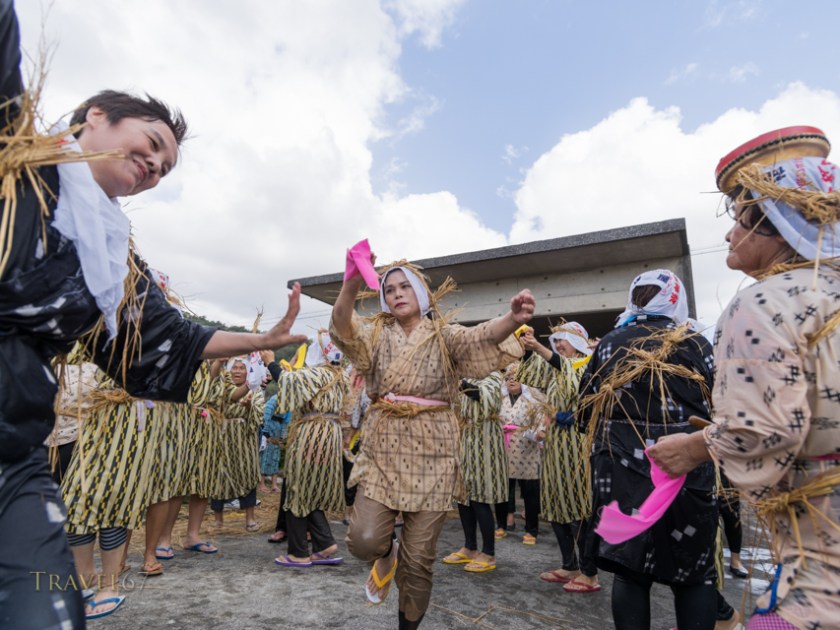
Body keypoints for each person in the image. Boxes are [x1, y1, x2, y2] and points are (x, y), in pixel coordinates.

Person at [0, 4, 305, 627]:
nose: (155, 167)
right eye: (153, 144)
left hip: (11, 448)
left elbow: (170, 335)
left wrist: (265, 337)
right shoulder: (14, 157)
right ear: (96, 117)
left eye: (165, 170)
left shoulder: (112, 259)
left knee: (47, 612)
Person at [649, 126, 840, 630]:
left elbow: (763, 431)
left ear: (774, 224)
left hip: (824, 566)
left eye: (741, 221)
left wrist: (697, 445)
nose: (730, 234)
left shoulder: (763, 301)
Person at [330, 257, 531, 629]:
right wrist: (352, 282)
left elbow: (480, 338)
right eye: (389, 290)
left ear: (421, 293)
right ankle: (385, 553)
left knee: (419, 560)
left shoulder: (444, 334)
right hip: (384, 447)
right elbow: (343, 326)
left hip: (435, 451)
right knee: (363, 540)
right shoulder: (376, 335)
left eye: (404, 287)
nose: (396, 294)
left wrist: (512, 319)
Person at [578, 269, 718, 630]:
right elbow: (723, 408)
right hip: (688, 469)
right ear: (675, 297)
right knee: (695, 576)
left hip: (621, 472)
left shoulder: (610, 343)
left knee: (629, 572)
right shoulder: (697, 343)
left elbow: (584, 411)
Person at [517, 323, 600, 591]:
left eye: (563, 339)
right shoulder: (557, 368)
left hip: (577, 442)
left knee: (579, 505)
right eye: (556, 341)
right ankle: (569, 565)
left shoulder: (589, 364)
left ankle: (590, 573)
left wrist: (539, 348)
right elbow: (534, 375)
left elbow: (575, 383)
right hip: (555, 445)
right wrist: (528, 350)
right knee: (555, 501)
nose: (558, 344)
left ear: (577, 342)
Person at [441, 372, 506, 573]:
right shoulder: (469, 378)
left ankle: (489, 552)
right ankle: (469, 546)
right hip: (466, 439)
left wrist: (462, 384)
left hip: (486, 441)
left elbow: (486, 398)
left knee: (480, 498)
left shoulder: (494, 377)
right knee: (464, 496)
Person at [210, 357, 265, 532]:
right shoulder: (221, 386)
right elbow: (214, 402)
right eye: (235, 367)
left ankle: (250, 519)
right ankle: (218, 520)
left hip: (245, 439)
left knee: (247, 474)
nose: (238, 371)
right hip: (222, 437)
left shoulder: (254, 391)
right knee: (218, 476)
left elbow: (259, 414)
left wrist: (249, 407)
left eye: (242, 368)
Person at [495, 370, 545, 544]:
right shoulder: (499, 398)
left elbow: (541, 418)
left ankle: (532, 530)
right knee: (503, 488)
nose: (512, 381)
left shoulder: (533, 399)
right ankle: (501, 525)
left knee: (530, 490)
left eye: (516, 378)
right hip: (504, 445)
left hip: (527, 447)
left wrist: (540, 433)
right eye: (508, 378)